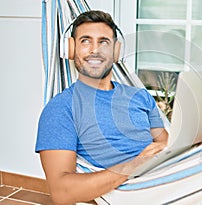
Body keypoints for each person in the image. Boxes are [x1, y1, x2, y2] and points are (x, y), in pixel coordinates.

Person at [35, 10, 168, 205]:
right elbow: (61, 193)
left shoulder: (140, 96)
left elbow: (165, 143)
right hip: (133, 191)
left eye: (104, 42)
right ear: (71, 49)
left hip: (166, 176)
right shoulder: (61, 109)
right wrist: (135, 165)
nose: (95, 50)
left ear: (116, 51)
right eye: (85, 41)